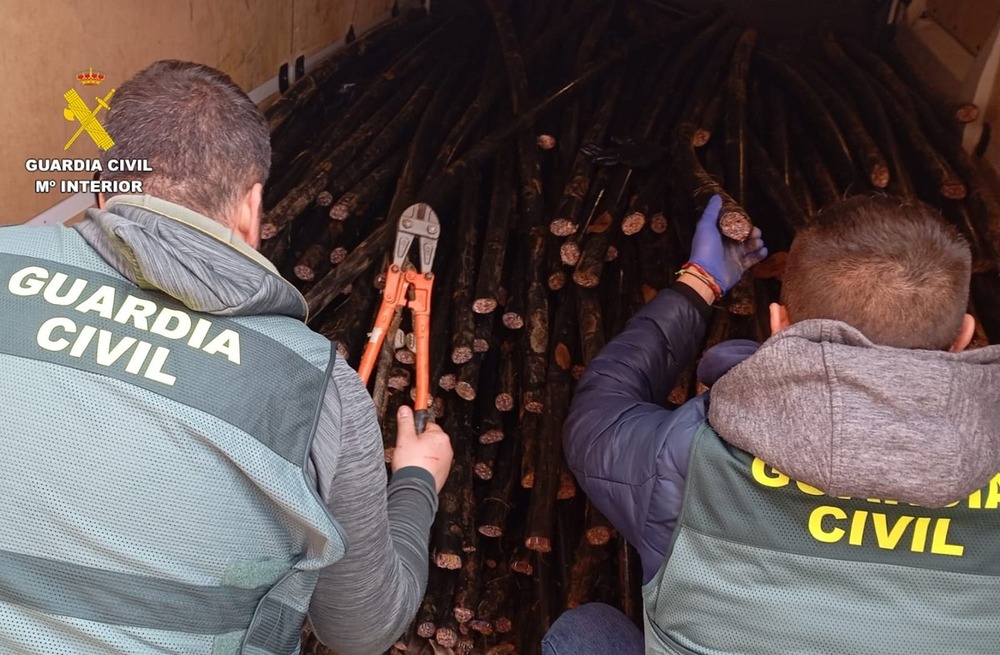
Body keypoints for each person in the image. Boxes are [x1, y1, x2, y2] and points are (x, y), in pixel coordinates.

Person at [0, 60, 453, 655]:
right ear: (251, 206)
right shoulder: (318, 392)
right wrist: (419, 480)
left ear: (105, 188)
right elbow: (361, 629)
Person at [545, 194, 1000, 654]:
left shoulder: (692, 452)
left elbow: (596, 419)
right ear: (963, 336)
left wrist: (698, 283)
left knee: (583, 633)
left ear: (779, 325)